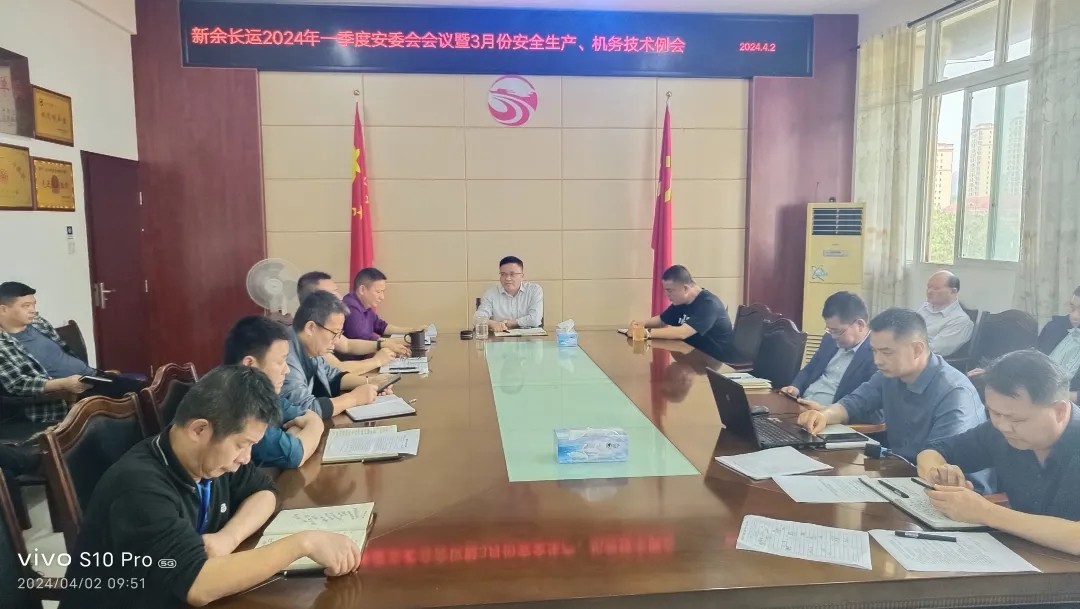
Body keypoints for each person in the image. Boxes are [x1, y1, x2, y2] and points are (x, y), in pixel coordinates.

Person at [59, 366, 363, 608]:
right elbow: (198, 585)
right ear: (199, 429)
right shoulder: (139, 487)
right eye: (242, 445)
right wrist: (301, 544)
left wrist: (228, 537)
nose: (246, 458)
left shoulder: (210, 459)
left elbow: (264, 491)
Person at [916, 350, 1080, 555]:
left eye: (1016, 419)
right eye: (993, 413)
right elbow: (934, 450)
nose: (1003, 426)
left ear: (1059, 411)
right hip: (1022, 556)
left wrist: (985, 512)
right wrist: (939, 473)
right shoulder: (999, 431)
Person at [797, 308, 987, 466]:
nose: (878, 360)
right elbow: (854, 403)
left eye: (887, 352)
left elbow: (942, 460)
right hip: (901, 470)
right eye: (874, 351)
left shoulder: (954, 393)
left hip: (953, 488)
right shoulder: (889, 376)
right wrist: (824, 415)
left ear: (917, 349)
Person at [0, 281, 145, 422]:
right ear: (3, 310)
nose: (33, 310)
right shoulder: (2, 344)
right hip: (68, 396)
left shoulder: (38, 323)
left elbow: (64, 355)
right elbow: (18, 384)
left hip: (92, 377)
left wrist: (94, 373)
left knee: (146, 392)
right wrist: (63, 384)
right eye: (26, 306)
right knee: (139, 399)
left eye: (33, 304)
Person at [223, 316, 324, 469]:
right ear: (249, 364)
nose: (287, 370)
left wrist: (297, 435)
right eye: (280, 362)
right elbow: (294, 455)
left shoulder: (262, 393)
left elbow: (302, 414)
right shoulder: (240, 408)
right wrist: (315, 425)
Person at [281, 291, 383, 418]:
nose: (336, 341)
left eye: (340, 334)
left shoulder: (310, 347)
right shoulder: (284, 355)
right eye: (334, 333)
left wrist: (371, 383)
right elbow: (306, 409)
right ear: (311, 328)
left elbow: (332, 375)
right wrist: (353, 398)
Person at [296, 270, 404, 370]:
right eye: (332, 293)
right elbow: (338, 369)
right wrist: (377, 361)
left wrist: (381, 345)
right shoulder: (308, 334)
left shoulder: (317, 323)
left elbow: (347, 345)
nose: (340, 297)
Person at [781, 291, 876, 404]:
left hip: (830, 412)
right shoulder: (829, 339)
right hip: (802, 403)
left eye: (837, 331)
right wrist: (795, 387)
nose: (833, 336)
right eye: (830, 330)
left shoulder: (876, 353)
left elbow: (867, 404)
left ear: (860, 325)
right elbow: (810, 369)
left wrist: (827, 411)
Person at [628, 265, 734, 361]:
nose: (666, 295)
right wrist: (640, 324)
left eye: (670, 291)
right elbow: (661, 320)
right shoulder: (681, 301)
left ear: (685, 288)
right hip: (691, 356)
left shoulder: (709, 304)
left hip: (714, 361)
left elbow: (682, 333)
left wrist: (644, 333)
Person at [341, 267, 428, 346]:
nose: (382, 297)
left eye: (383, 291)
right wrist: (409, 340)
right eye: (378, 292)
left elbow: (383, 327)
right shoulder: (351, 307)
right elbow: (365, 342)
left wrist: (412, 330)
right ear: (362, 290)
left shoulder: (365, 305)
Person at [476, 256, 544, 332]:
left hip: (530, 337)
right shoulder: (491, 293)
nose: (507, 278)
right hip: (500, 337)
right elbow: (477, 318)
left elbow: (535, 319)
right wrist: (492, 323)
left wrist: (512, 323)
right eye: (503, 274)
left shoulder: (534, 290)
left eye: (512, 274)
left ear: (522, 276)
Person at [916, 270, 974, 357]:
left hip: (924, 361)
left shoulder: (960, 321)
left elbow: (934, 350)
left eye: (936, 288)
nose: (929, 291)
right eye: (928, 287)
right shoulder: (925, 308)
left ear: (953, 292)